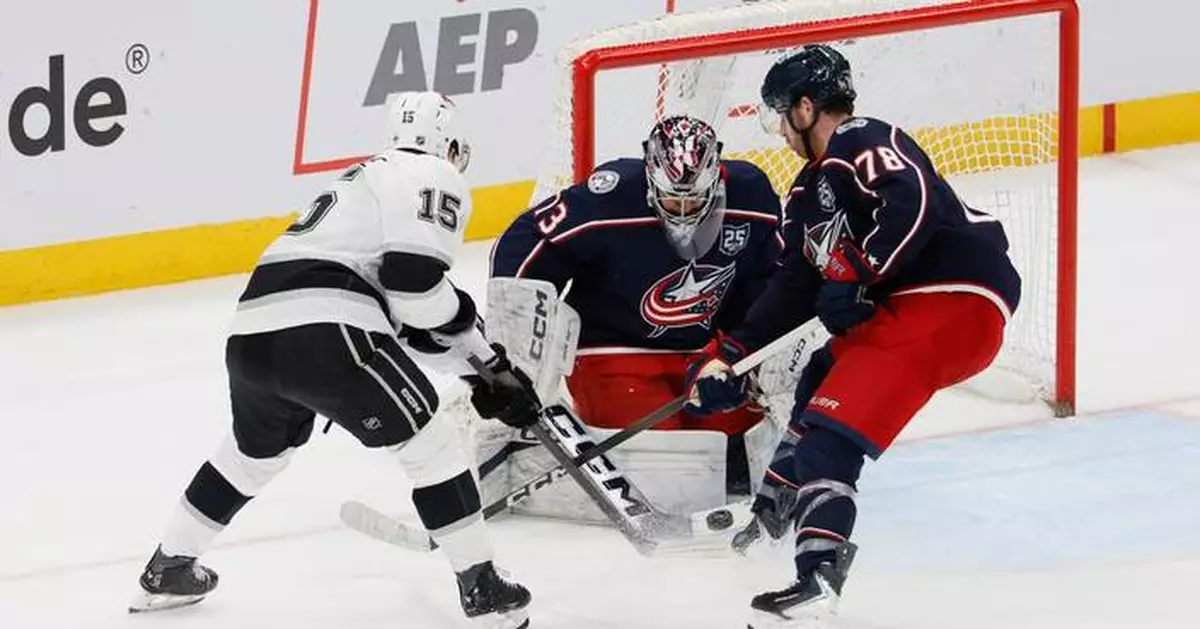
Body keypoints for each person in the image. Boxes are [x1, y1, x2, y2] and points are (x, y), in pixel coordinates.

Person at [129, 91, 537, 629]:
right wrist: (477, 342)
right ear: (450, 145)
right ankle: (482, 587)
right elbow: (415, 289)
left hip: (253, 333)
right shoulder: (433, 174)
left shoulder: (361, 184)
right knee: (430, 441)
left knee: (252, 457)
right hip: (327, 326)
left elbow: (404, 324)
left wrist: (483, 370)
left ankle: (168, 567)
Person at [684, 45, 1022, 628]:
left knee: (830, 445)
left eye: (779, 115)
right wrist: (725, 359)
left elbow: (909, 196)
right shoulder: (805, 195)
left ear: (807, 108)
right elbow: (793, 286)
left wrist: (865, 269)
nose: (780, 132)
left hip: (951, 298)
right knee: (819, 380)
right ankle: (767, 522)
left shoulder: (859, 138)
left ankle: (816, 582)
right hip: (903, 312)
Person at [486, 115, 784, 514]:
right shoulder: (609, 199)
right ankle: (522, 456)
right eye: (670, 199)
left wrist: (735, 358)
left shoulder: (752, 198)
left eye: (694, 199)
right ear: (649, 179)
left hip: (701, 355)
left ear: (717, 179)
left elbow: (768, 289)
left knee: (745, 459)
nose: (682, 212)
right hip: (610, 354)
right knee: (671, 478)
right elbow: (520, 247)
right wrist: (518, 347)